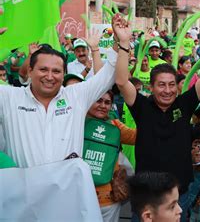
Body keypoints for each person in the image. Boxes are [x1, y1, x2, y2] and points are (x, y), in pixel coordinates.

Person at [0, 14, 124, 168]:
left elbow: (109, 72)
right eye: (43, 70)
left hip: (68, 190)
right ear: (30, 71)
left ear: (64, 73)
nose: (50, 76)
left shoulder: (76, 96)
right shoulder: (9, 97)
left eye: (57, 71)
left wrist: (119, 40)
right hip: (22, 190)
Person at [114, 16, 200, 197]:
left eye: (172, 85)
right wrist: (124, 42)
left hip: (179, 192)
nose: (167, 90)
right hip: (147, 192)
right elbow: (121, 81)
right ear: (151, 87)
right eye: (161, 85)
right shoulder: (142, 106)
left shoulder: (184, 103)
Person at [83, 90, 136, 222]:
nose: (103, 105)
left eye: (107, 102)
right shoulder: (77, 122)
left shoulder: (115, 125)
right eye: (99, 101)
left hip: (108, 200)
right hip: (79, 197)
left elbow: (134, 137)